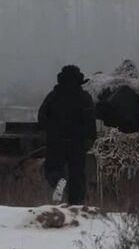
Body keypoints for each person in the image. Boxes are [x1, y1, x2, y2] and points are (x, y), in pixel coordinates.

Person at [38, 65, 97, 205]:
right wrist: (90, 140)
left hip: (56, 141)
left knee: (52, 168)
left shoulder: (53, 96)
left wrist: (50, 131)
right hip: (78, 142)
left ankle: (58, 180)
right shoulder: (84, 98)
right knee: (77, 174)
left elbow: (41, 116)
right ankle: (76, 204)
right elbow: (90, 121)